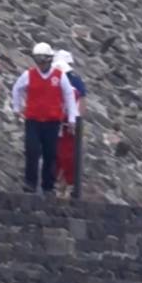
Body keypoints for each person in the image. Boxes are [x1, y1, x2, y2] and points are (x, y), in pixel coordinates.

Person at [11, 42, 78, 194]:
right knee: (32, 151)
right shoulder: (28, 75)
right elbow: (17, 89)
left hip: (52, 122)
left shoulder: (59, 76)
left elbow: (69, 95)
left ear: (49, 59)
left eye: (42, 59)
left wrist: (72, 119)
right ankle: (30, 182)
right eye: (37, 59)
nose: (40, 63)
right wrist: (17, 108)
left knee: (50, 154)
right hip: (33, 120)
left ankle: (48, 186)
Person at [53, 49, 88, 195]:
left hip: (67, 123)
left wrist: (76, 120)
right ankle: (58, 185)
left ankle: (65, 185)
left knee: (66, 156)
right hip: (58, 122)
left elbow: (81, 102)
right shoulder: (57, 78)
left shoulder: (74, 81)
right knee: (57, 154)